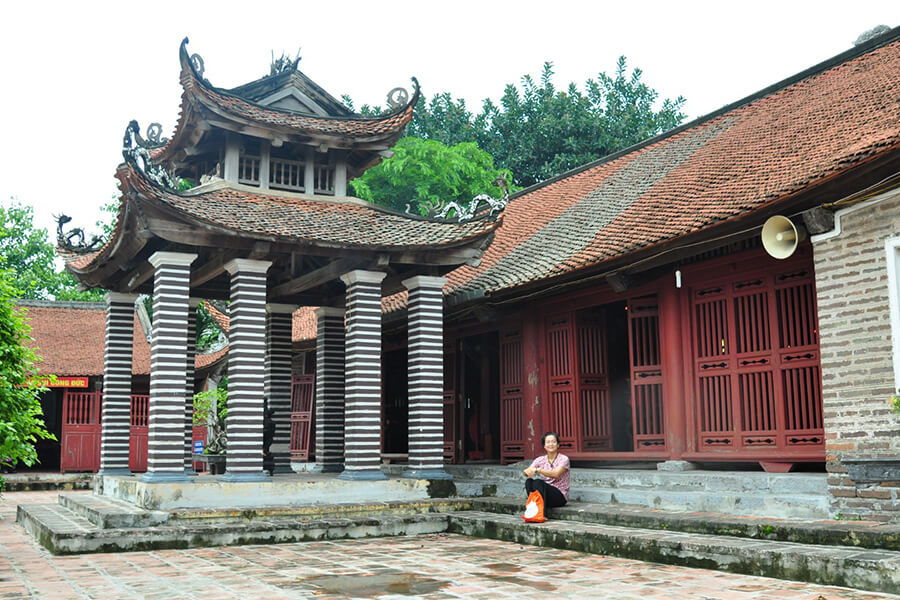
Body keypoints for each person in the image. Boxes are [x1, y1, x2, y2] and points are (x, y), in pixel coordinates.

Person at [522, 431, 570, 510]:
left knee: (538, 482)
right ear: (544, 446)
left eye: (553, 442)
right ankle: (535, 509)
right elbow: (527, 471)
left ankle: (542, 512)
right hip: (544, 493)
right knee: (529, 482)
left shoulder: (564, 459)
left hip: (559, 496)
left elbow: (555, 474)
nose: (551, 444)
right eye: (548, 442)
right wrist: (527, 471)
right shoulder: (540, 459)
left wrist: (538, 470)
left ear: (558, 445)